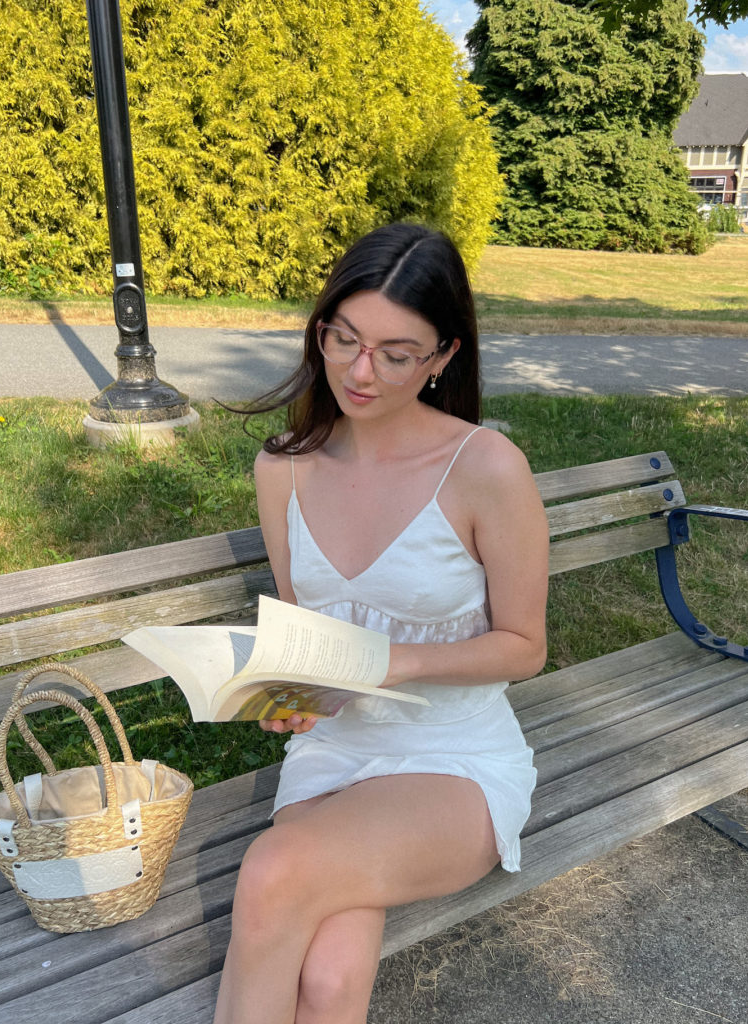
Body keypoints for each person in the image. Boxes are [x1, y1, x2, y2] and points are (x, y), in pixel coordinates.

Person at [213, 223, 549, 1024]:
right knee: (325, 979)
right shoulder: (283, 466)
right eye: (344, 339)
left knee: (271, 873)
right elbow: (305, 630)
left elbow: (524, 647)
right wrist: (291, 693)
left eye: (396, 354)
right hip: (334, 748)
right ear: (320, 328)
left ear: (443, 357)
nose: (359, 372)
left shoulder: (485, 468)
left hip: (454, 755)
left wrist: (385, 662)